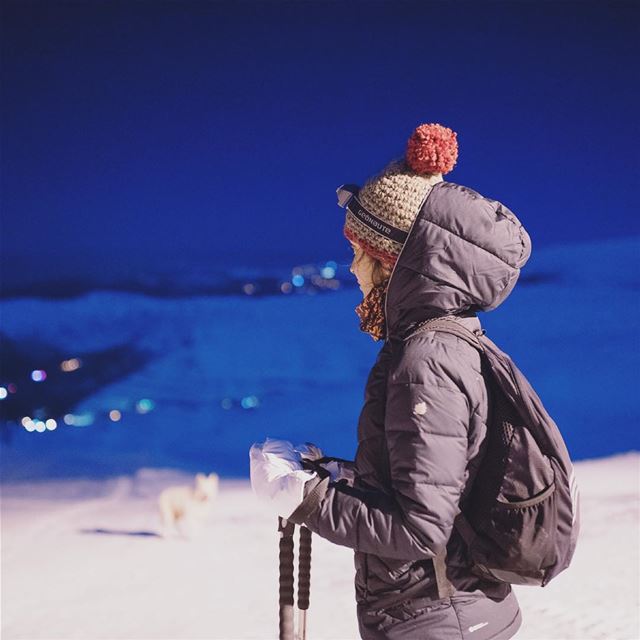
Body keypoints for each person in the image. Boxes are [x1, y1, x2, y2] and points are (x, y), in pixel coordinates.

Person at [249, 122, 531, 639]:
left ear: (396, 265)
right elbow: (424, 480)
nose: (353, 270)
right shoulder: (445, 341)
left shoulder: (426, 361)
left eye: (361, 253)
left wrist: (307, 501)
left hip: (438, 619)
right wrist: (327, 474)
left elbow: (419, 529)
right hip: (447, 613)